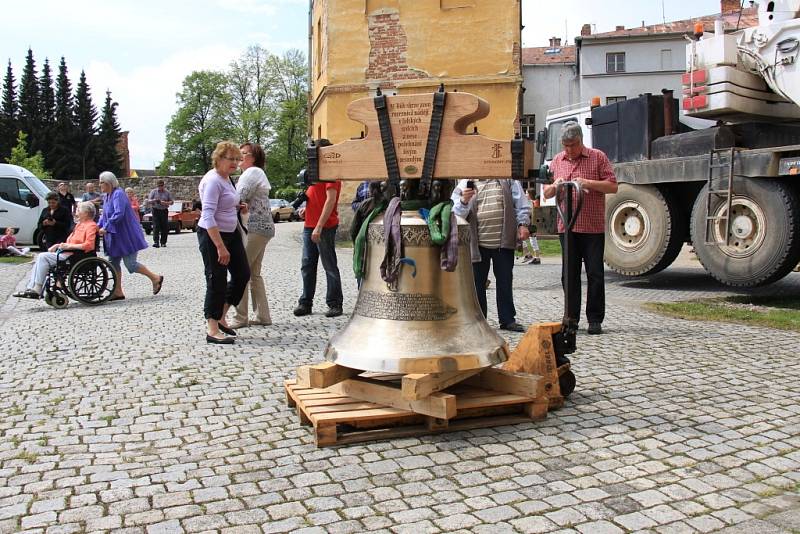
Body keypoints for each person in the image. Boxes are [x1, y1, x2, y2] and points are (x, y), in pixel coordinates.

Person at [543, 121, 618, 335]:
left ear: (581, 141)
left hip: (592, 227)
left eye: (572, 145)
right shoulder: (557, 160)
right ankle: (571, 317)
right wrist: (554, 186)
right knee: (569, 274)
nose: (569, 149)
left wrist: (588, 183)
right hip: (566, 227)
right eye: (565, 145)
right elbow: (546, 192)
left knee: (595, 273)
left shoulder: (597, 157)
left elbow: (613, 185)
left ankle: (594, 319)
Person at [452, 178, 531, 332]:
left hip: (503, 242)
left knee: (505, 281)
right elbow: (456, 214)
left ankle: (507, 319)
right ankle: (479, 319)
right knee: (477, 284)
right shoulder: (465, 183)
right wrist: (463, 201)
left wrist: (523, 224)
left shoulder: (508, 180)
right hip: (477, 245)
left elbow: (521, 205)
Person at [197, 141, 251, 344]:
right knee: (216, 279)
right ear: (219, 159)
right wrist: (220, 246)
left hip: (231, 231)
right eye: (231, 159)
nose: (235, 163)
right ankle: (212, 328)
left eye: (238, 159)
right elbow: (208, 215)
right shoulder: (213, 181)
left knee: (242, 274)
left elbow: (226, 202)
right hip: (213, 235)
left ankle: (221, 314)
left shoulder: (227, 179)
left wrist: (238, 205)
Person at [227, 142, 274, 329]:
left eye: (244, 153)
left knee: (241, 271)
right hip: (263, 228)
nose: (240, 156)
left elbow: (238, 197)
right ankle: (263, 316)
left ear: (253, 157)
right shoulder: (256, 173)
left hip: (254, 227)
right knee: (254, 274)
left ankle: (240, 317)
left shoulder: (252, 172)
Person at [98, 172, 164, 301]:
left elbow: (119, 213)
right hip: (115, 236)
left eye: (101, 182)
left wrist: (105, 227)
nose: (99, 185)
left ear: (109, 183)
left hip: (126, 235)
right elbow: (104, 215)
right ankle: (117, 291)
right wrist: (97, 226)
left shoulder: (118, 194)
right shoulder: (106, 196)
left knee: (130, 264)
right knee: (113, 262)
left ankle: (155, 278)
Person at [14, 201, 98, 299]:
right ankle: (32, 287)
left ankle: (37, 288)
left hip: (76, 255)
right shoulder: (79, 225)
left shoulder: (91, 226)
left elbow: (89, 245)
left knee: (43, 257)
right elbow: (70, 242)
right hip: (69, 253)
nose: (76, 212)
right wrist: (57, 245)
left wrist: (69, 247)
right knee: (42, 258)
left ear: (86, 213)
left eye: (78, 210)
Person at [293, 177, 343, 318]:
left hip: (325, 227)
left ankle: (335, 303)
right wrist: (305, 210)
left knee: (329, 265)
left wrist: (319, 226)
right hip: (309, 225)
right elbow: (316, 199)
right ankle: (305, 303)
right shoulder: (314, 178)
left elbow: (330, 200)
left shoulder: (330, 176)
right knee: (307, 264)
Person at [147, 180, 173, 248]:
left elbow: (172, 202)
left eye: (161, 185)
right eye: (159, 186)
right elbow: (148, 200)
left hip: (164, 210)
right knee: (156, 226)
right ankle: (156, 242)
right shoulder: (153, 191)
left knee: (165, 226)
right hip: (155, 210)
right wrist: (154, 200)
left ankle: (163, 242)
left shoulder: (167, 192)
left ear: (163, 185)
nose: (160, 187)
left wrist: (165, 203)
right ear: (157, 186)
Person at [520, 189, 541, 265]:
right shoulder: (531, 202)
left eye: (526, 193)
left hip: (529, 224)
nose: (525, 195)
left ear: (530, 194)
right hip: (530, 223)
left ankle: (530, 255)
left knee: (522, 239)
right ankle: (533, 256)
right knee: (532, 241)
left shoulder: (531, 203)